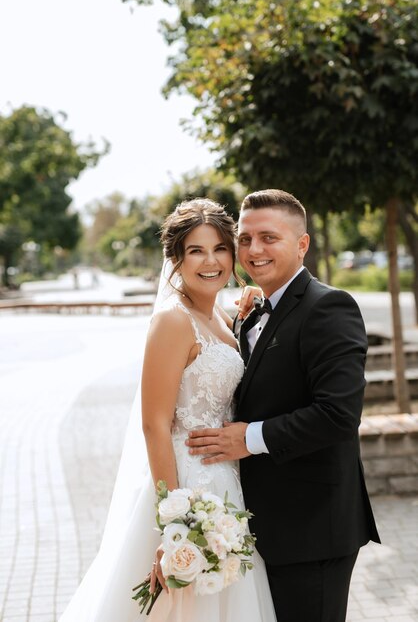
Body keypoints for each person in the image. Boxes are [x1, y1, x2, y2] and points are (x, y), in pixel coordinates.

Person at [58, 198, 276, 622]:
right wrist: (174, 523)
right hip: (188, 487)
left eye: (219, 249)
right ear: (175, 258)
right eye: (196, 250)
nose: (210, 261)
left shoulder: (218, 314)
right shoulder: (172, 321)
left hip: (228, 485)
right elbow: (154, 424)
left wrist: (249, 309)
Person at [186, 189, 381, 622]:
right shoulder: (251, 310)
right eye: (245, 238)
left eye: (269, 238)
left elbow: (339, 415)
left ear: (302, 244)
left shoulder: (329, 307)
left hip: (312, 532)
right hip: (258, 528)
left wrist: (249, 439)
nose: (254, 250)